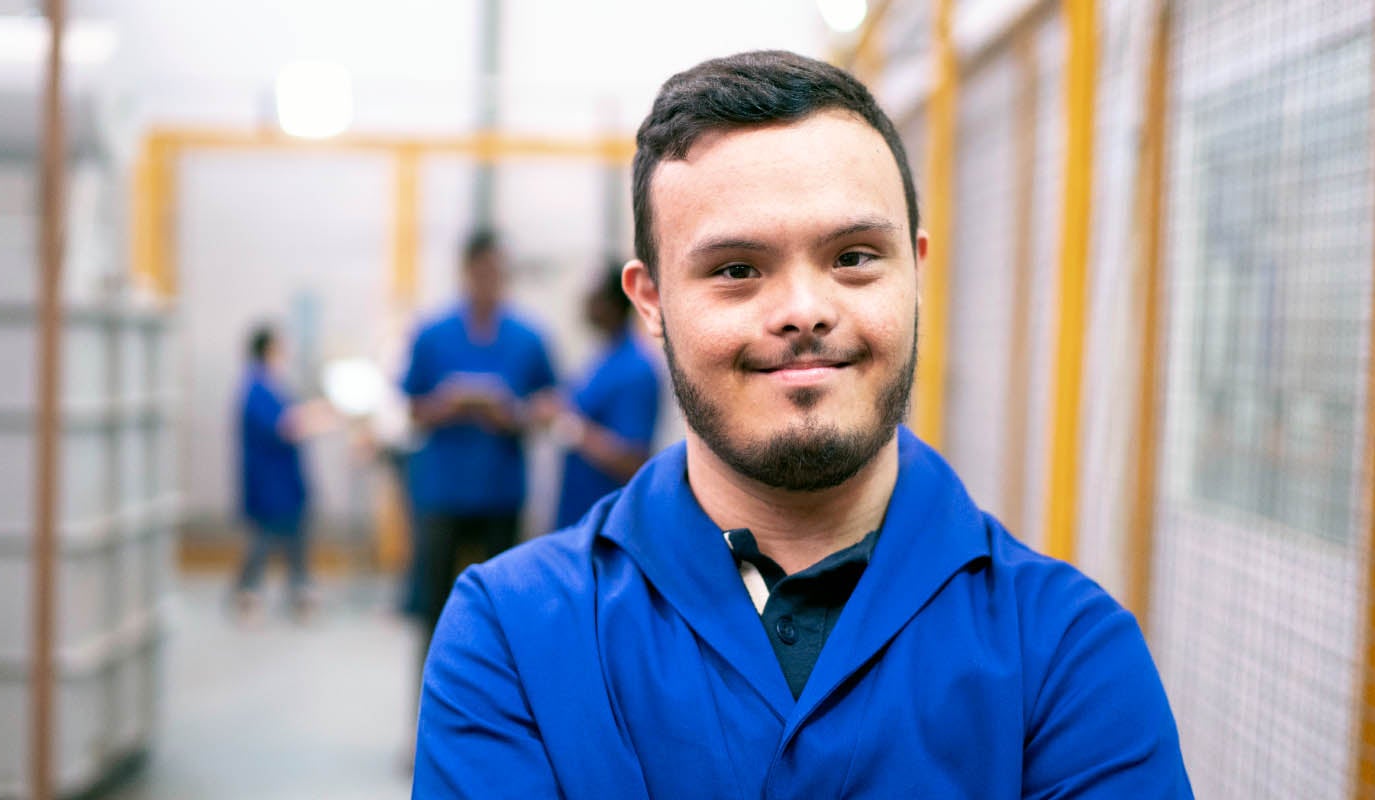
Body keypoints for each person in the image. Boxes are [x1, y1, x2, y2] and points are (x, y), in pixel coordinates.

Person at [415, 51, 1191, 797]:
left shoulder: (1068, 651)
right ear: (650, 301)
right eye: (736, 270)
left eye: (854, 257)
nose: (804, 312)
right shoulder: (511, 634)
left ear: (916, 272)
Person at [400, 229, 558, 645]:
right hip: (443, 494)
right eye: (482, 270)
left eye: (497, 271)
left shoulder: (528, 338)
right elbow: (411, 408)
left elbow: (549, 407)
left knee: (503, 612)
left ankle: (500, 705)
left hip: (500, 493)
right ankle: (436, 701)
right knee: (435, 610)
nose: (490, 279)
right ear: (466, 271)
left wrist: (512, 414)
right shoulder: (432, 335)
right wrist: (444, 406)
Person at [546, 264, 664, 529]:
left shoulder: (635, 369)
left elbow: (632, 459)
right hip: (578, 515)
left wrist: (569, 427)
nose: (585, 302)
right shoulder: (601, 358)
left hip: (608, 523)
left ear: (611, 305)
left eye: (593, 296)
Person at [233, 324, 334, 621]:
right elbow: (284, 425)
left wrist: (314, 413)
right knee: (264, 538)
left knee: (296, 536)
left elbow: (290, 416)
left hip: (285, 480)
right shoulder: (256, 387)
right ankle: (248, 592)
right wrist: (317, 419)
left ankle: (300, 591)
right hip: (269, 480)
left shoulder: (271, 384)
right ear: (268, 349)